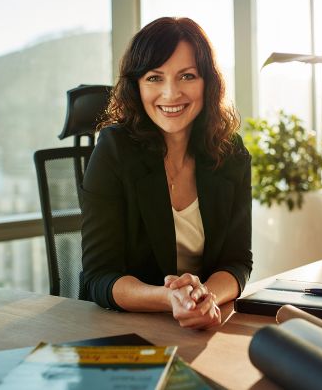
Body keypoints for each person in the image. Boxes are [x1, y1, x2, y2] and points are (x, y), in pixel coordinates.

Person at [81, 17, 252, 330]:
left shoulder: (230, 153)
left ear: (207, 82)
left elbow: (237, 261)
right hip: (127, 327)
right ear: (136, 85)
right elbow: (99, 276)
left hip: (204, 326)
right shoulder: (114, 149)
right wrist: (169, 298)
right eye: (154, 78)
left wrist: (204, 296)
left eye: (187, 76)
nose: (171, 94)